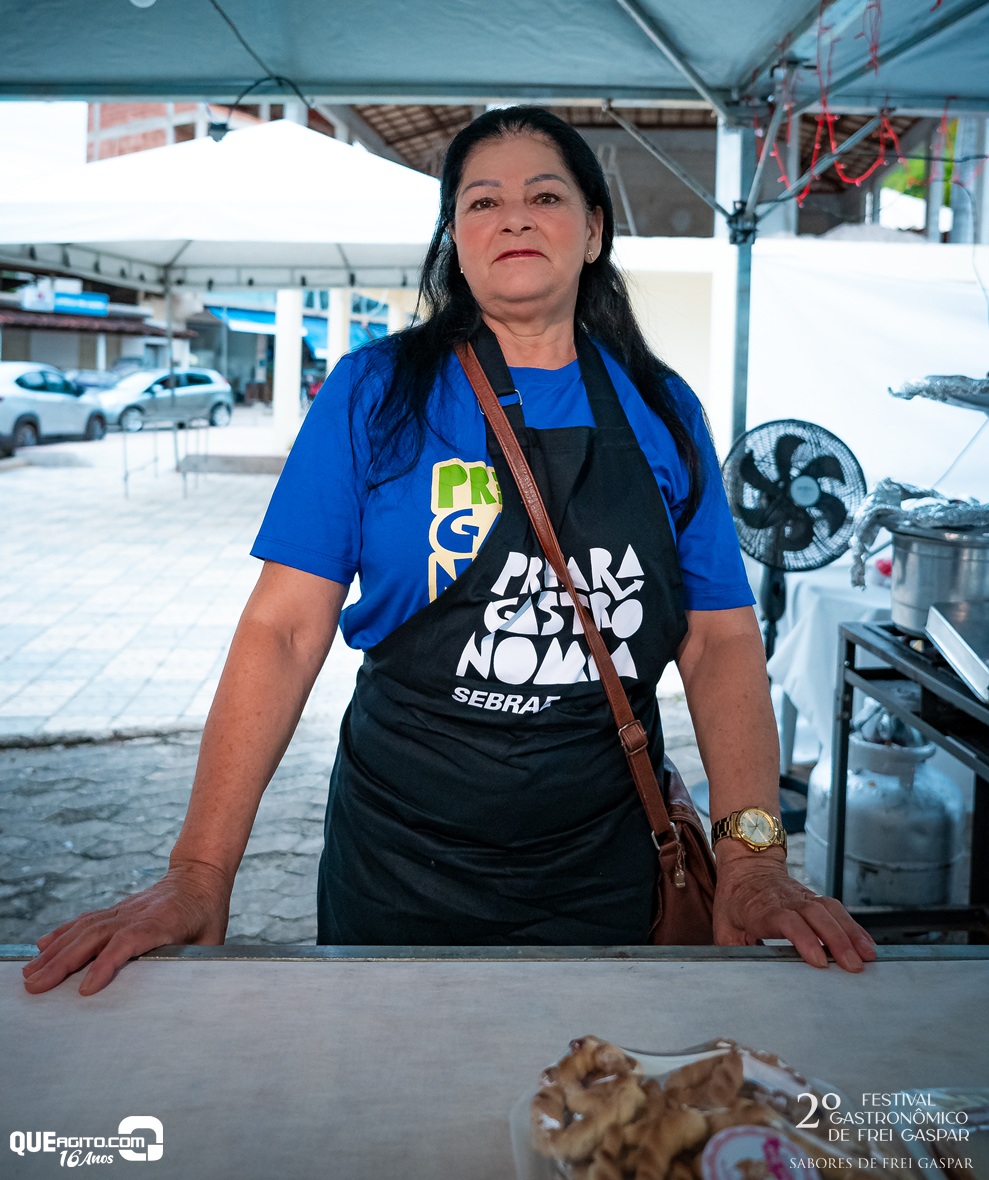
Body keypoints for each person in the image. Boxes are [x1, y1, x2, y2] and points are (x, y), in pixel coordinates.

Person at [23, 107, 875, 995]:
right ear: (455, 240)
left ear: (593, 231)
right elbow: (283, 631)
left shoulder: (663, 409)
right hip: (398, 867)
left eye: (545, 196)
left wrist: (751, 862)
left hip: (606, 868)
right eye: (482, 202)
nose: (513, 218)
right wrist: (198, 874)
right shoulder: (375, 393)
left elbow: (719, 640)